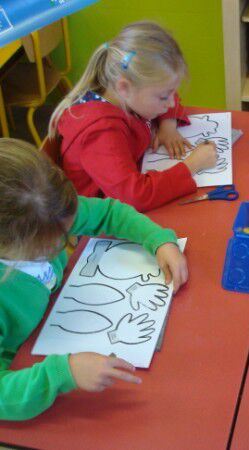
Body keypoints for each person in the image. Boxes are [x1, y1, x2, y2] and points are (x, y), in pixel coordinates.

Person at [0, 138, 189, 420]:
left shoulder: (45, 210)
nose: (63, 244)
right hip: (25, 374)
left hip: (52, 323)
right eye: (49, 248)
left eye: (67, 234)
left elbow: (109, 213)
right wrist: (62, 374)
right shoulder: (29, 222)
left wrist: (158, 240)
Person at [48, 21, 217, 212]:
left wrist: (167, 126)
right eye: (164, 97)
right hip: (97, 220)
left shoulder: (123, 93)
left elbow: (166, 91)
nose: (171, 103)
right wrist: (192, 165)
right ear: (124, 87)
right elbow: (134, 196)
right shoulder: (100, 132)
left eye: (171, 93)